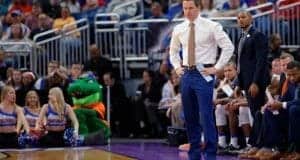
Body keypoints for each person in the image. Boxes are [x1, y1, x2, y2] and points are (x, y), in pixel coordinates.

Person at [169, 0, 234, 159]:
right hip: (187, 74)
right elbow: (173, 52)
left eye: (191, 8)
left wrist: (217, 67)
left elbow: (228, 47)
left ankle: (211, 154)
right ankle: (194, 154)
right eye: (185, 8)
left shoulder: (211, 26)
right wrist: (177, 67)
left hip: (204, 73)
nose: (188, 11)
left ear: (199, 8)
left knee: (206, 115)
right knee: (190, 117)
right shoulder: (179, 28)